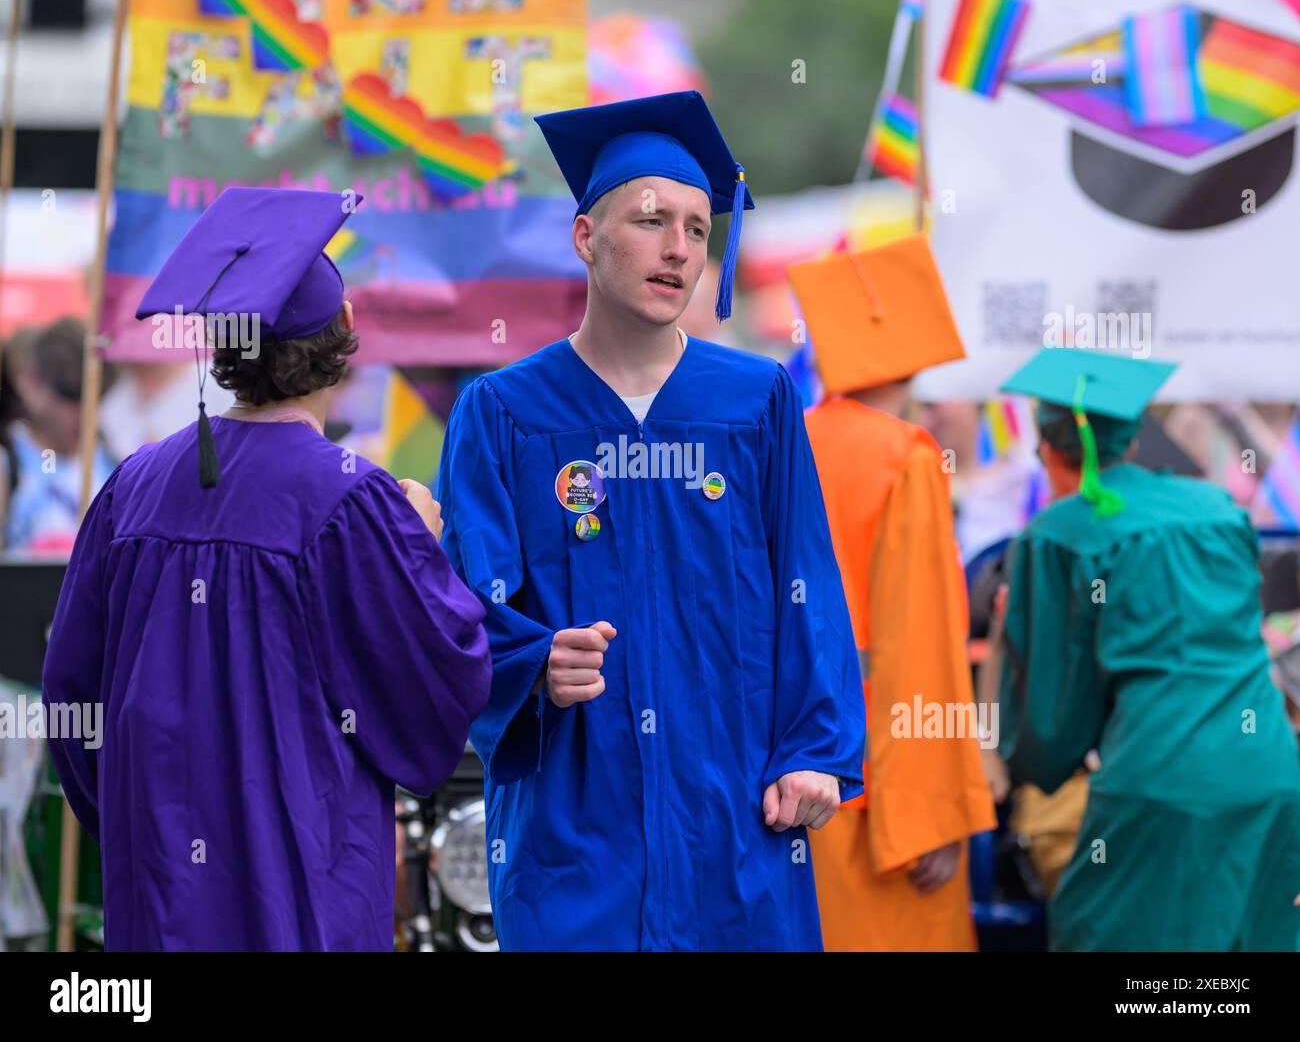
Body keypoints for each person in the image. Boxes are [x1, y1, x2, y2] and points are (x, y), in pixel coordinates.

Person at [435, 90, 865, 951]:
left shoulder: (755, 402)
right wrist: (534, 660)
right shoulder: (503, 412)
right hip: (575, 826)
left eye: (699, 229)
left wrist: (816, 748)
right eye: (650, 219)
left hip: (734, 817)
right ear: (586, 237)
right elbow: (461, 608)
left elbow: (806, 584)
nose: (678, 249)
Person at [42, 187, 492, 951]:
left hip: (156, 900)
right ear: (346, 329)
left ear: (223, 347)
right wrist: (421, 543)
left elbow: (69, 693)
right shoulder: (355, 498)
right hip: (301, 889)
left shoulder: (133, 485)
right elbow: (435, 692)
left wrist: (136, 821)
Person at [996, 346, 1300, 951]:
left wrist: (1025, 762)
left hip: (1160, 779)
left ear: (1050, 449)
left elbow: (1053, 714)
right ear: (1133, 440)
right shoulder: (1216, 508)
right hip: (1269, 769)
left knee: (1111, 935)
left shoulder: (1057, 535)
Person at [786, 236, 996, 951]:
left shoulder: (783, 440)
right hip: (877, 775)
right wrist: (931, 817)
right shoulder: (905, 457)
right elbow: (921, 643)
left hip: (786, 763)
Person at [2, 319, 115, 554]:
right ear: (33, 384)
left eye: (95, 398)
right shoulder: (9, 460)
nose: (84, 413)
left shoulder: (113, 458)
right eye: (71, 397)